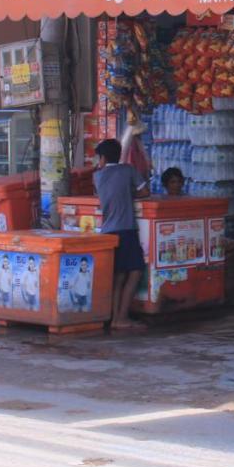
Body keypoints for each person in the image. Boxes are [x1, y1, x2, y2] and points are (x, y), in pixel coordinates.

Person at [93, 138, 149, 330]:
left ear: (102, 158)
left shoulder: (97, 177)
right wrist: (129, 193)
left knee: (118, 275)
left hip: (108, 231)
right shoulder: (128, 170)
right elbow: (145, 192)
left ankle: (115, 317)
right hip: (126, 228)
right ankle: (122, 317)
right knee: (135, 271)